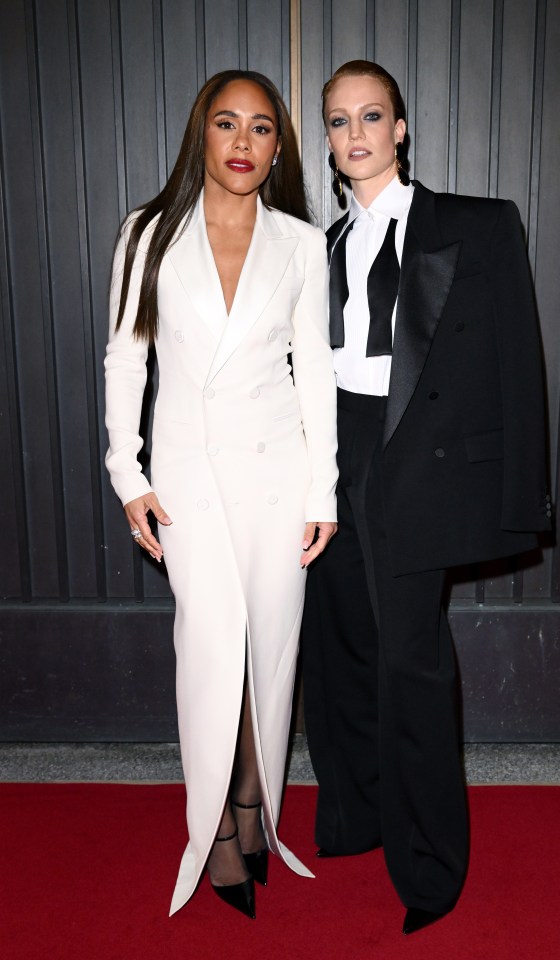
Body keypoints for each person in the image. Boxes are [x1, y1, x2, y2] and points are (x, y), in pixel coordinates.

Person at [302, 60, 551, 936]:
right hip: (326, 456)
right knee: (337, 653)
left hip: (417, 460)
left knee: (411, 664)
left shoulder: (475, 227)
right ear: (326, 137)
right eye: (339, 120)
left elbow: (519, 364)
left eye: (373, 116)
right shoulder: (313, 244)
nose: (357, 134)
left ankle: (432, 867)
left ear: (401, 128)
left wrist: (523, 495)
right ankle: (357, 818)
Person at [104, 70, 337, 920]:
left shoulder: (302, 245)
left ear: (278, 147)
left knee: (271, 648)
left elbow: (312, 369)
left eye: (262, 128)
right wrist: (128, 474)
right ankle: (224, 819)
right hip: (188, 476)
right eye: (228, 124)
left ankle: (253, 813)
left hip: (280, 470)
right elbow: (127, 359)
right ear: (202, 132)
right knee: (213, 651)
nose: (244, 143)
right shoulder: (148, 233)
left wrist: (325, 488)